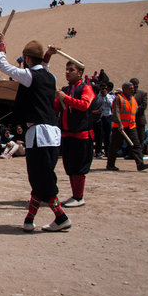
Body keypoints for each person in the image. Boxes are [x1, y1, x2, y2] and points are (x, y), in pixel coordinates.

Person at [0, 33, 72, 232]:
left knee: (42, 178)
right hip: (53, 134)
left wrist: (1, 45)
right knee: (40, 177)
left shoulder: (29, 76)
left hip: (39, 134)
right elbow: (43, 68)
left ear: (27, 59)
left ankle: (61, 216)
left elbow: (4, 67)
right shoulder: (50, 76)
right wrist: (47, 56)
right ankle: (29, 219)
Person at [55, 60, 95, 208]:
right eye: (66, 69)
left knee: (78, 167)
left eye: (71, 70)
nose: (67, 72)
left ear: (79, 73)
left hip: (81, 135)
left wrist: (65, 98)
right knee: (70, 166)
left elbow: (84, 105)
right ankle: (75, 195)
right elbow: (57, 108)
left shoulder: (86, 88)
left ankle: (79, 197)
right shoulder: (66, 88)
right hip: (67, 134)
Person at [105, 82, 148, 171]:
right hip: (120, 127)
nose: (132, 90)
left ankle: (140, 164)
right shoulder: (119, 98)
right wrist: (119, 124)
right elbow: (116, 111)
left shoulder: (133, 99)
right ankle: (110, 165)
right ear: (125, 89)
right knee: (115, 146)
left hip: (131, 126)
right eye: (130, 88)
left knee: (136, 145)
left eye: (133, 88)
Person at [130, 78, 148, 149]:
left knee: (140, 137)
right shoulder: (127, 94)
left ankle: (140, 153)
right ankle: (131, 153)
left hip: (139, 119)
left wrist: (134, 110)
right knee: (131, 138)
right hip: (130, 120)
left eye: (136, 85)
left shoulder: (142, 94)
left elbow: (144, 105)